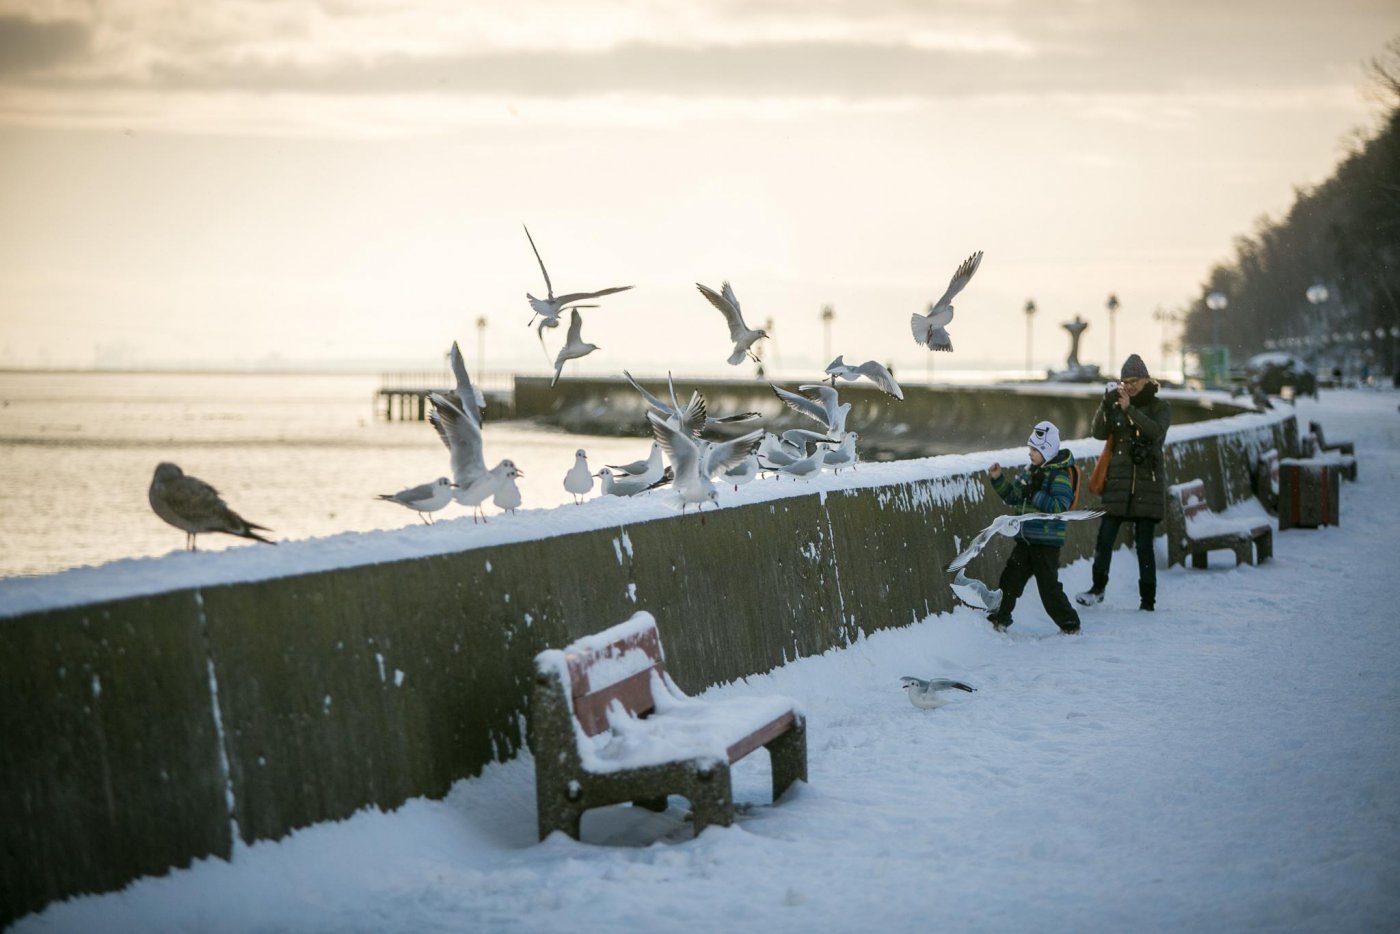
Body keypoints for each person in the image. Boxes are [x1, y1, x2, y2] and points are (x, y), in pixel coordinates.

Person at [1076, 354, 1172, 611]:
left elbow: (1156, 432)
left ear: (1146, 379)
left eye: (1134, 381)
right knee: (1104, 539)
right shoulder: (1118, 404)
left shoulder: (1160, 407)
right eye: (1124, 381)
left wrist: (1130, 409)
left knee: (1144, 546)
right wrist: (1105, 405)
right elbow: (1098, 433)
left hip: (1146, 485)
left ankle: (1147, 601)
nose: (1129, 386)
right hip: (1117, 483)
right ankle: (1097, 589)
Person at [986, 420, 1082, 635]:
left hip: (1046, 543)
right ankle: (999, 618)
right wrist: (998, 479)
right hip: (1026, 539)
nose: (1030, 454)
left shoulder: (1059, 474)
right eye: (1030, 449)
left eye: (1034, 450)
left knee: (1048, 588)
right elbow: (1014, 497)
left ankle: (1070, 624)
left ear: (1047, 451)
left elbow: (1059, 506)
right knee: (1010, 580)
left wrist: (1035, 494)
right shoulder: (1031, 471)